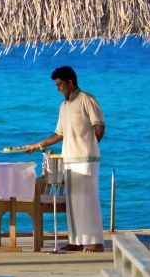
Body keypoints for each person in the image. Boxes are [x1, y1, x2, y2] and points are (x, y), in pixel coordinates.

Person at [19, 65, 106, 252]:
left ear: (70, 82)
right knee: (73, 203)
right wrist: (37, 145)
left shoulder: (87, 100)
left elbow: (99, 127)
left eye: (59, 85)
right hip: (69, 159)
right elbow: (59, 134)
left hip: (87, 160)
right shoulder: (64, 106)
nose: (58, 89)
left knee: (89, 200)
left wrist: (89, 145)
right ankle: (76, 240)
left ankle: (96, 242)